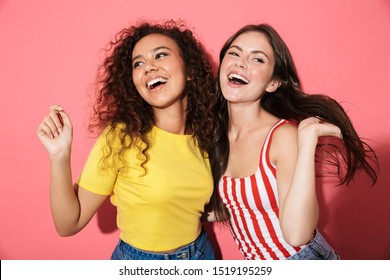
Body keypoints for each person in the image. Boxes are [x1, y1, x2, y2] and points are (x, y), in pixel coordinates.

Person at [37, 20, 217, 260]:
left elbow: (198, 206)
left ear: (190, 70)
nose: (148, 67)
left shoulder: (205, 133)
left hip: (201, 254)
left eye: (160, 55)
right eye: (138, 63)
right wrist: (59, 155)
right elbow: (68, 224)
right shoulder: (122, 137)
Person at [208, 23, 378, 260]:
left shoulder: (282, 136)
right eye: (234, 53)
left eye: (257, 59)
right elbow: (237, 206)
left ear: (273, 83)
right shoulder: (217, 135)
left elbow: (297, 234)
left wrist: (306, 141)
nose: (240, 62)